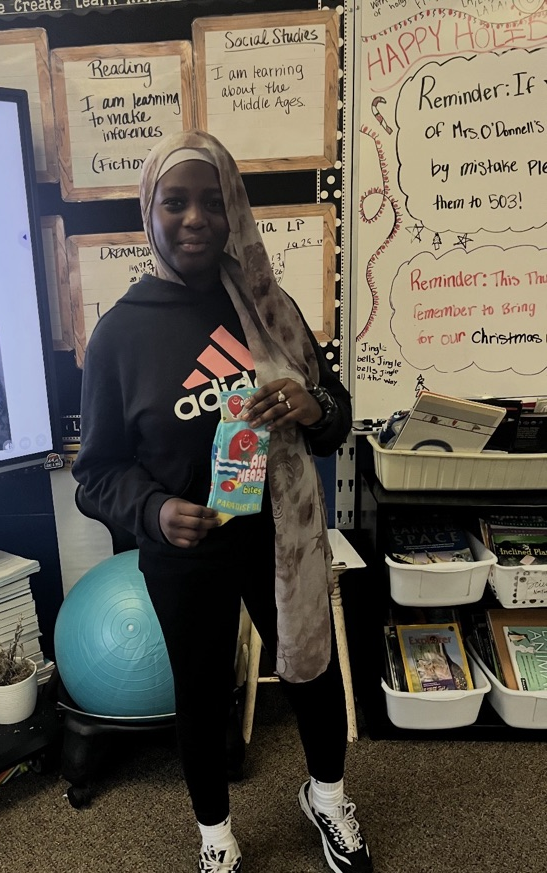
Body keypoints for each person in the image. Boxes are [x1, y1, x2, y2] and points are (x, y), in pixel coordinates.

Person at [73, 130, 371, 873]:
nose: (196, 218)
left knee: (310, 665)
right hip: (185, 549)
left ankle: (329, 797)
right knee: (202, 693)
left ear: (233, 210)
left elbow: (336, 414)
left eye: (213, 201)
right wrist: (152, 512)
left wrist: (311, 405)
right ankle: (216, 835)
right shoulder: (118, 336)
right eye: (177, 202)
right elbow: (96, 472)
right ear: (152, 211)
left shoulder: (269, 307)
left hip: (280, 533)